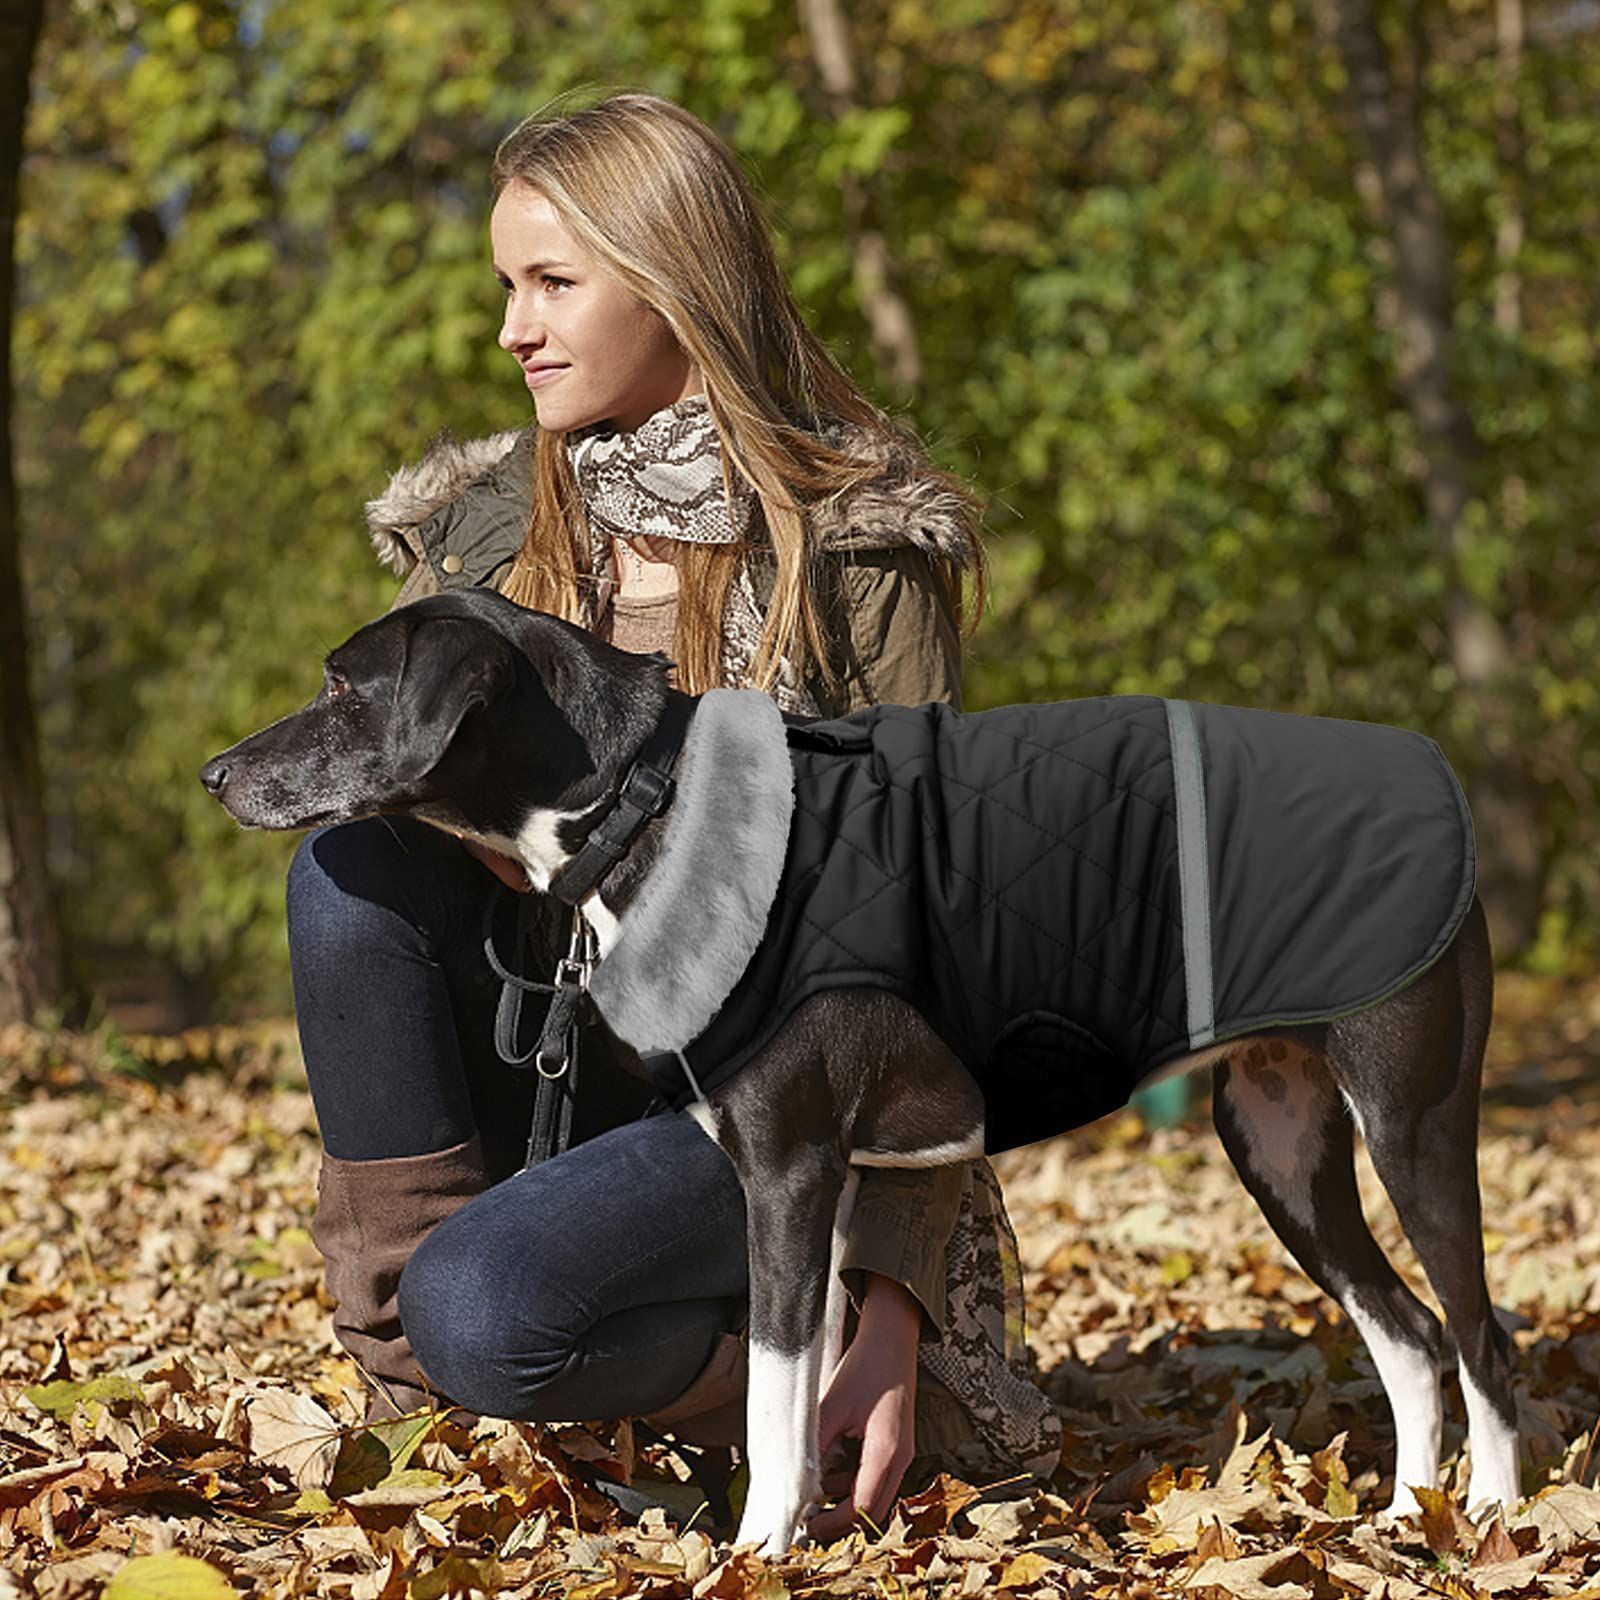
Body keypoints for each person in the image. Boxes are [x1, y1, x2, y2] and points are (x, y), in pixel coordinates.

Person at [287, 91, 1059, 1538]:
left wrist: (891, 1306)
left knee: (495, 1310)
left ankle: (762, 1367)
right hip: (560, 1073)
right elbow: (376, 779)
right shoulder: (485, 534)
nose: (512, 327)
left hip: (781, 1118)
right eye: (506, 287)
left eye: (553, 283)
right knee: (351, 873)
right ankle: (420, 1370)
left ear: (676, 279)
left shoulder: (856, 552)